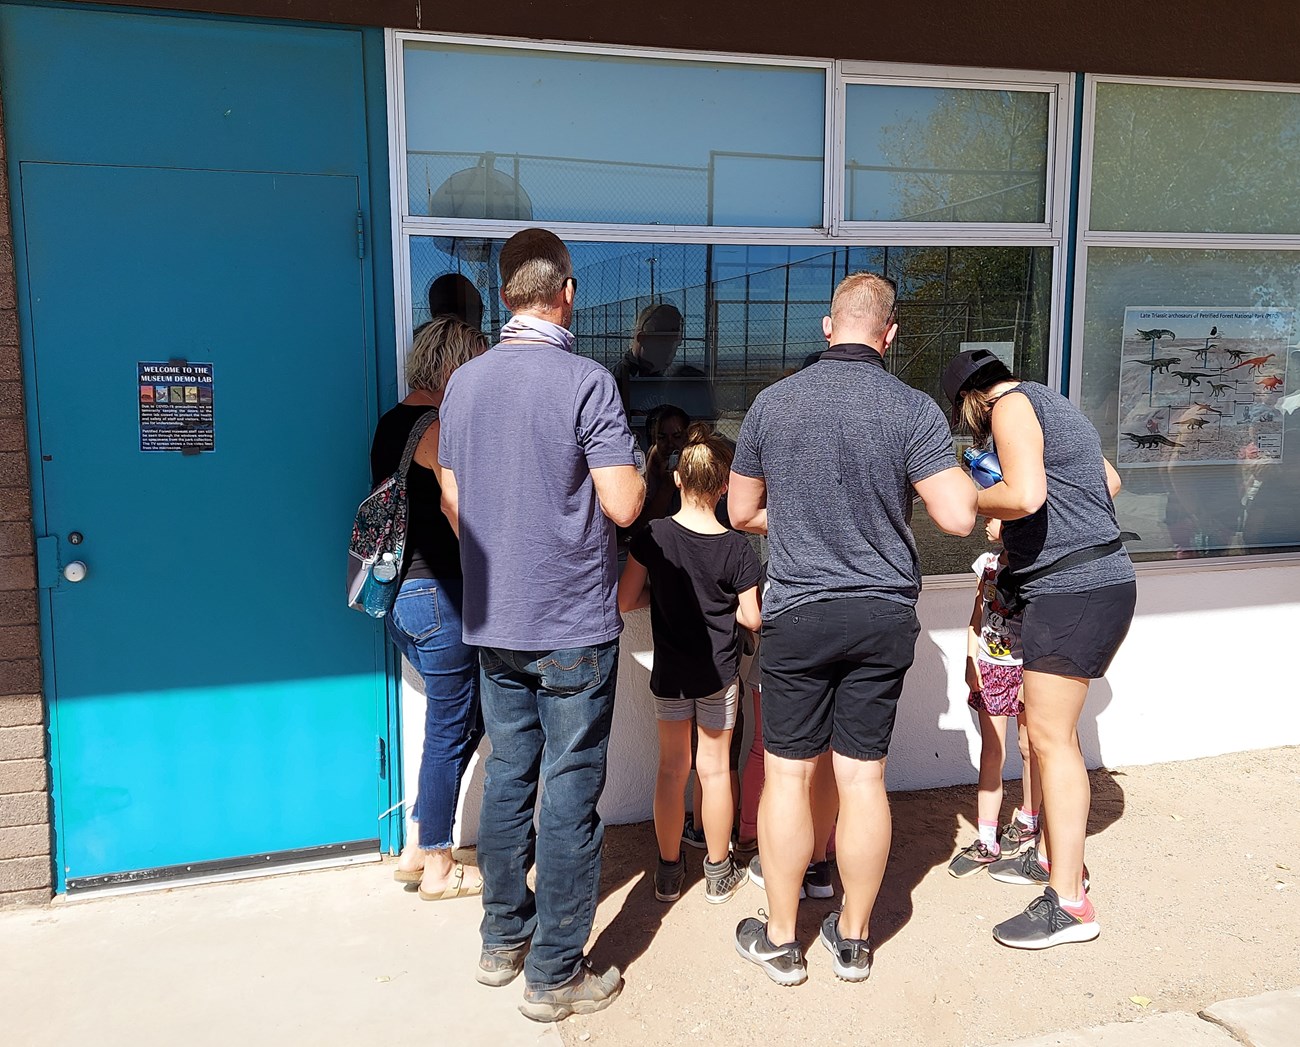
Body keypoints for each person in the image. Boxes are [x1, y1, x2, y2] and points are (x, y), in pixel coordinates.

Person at [728, 272, 977, 986]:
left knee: (787, 775)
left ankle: (780, 938)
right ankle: (854, 938)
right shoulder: (914, 409)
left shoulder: (773, 404)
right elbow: (958, 516)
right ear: (890, 334)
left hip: (799, 613)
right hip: (881, 614)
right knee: (863, 777)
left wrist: (804, 520)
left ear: (828, 327)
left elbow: (742, 512)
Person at [438, 227, 645, 1022]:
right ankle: (555, 973)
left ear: (503, 294)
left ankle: (502, 941)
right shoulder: (586, 382)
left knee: (509, 772)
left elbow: (454, 496)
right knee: (569, 791)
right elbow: (624, 503)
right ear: (566, 291)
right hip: (571, 622)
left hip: (496, 619)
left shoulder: (465, 385)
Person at [941, 347, 1135, 950]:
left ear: (974, 399)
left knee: (1051, 742)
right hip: (1098, 582)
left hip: (1070, 590)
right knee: (1059, 740)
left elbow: (1024, 496)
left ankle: (1071, 903)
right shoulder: (1053, 403)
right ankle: (1052, 859)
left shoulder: (1009, 406)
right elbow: (1110, 481)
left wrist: (969, 497)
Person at [617, 423, 762, 905]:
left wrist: (664, 599)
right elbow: (751, 617)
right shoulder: (738, 549)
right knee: (715, 770)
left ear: (677, 480)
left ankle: (667, 870)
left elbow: (624, 600)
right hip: (719, 676)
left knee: (671, 770)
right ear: (724, 485)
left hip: (670, 676)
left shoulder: (654, 536)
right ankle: (718, 871)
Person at [371, 316, 488, 900]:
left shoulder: (390, 422)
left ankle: (421, 842)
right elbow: (455, 504)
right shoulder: (434, 426)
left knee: (468, 717)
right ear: (451, 368)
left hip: (403, 598)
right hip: (439, 594)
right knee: (452, 725)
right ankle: (438, 864)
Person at [947, 517, 1042, 878]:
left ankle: (1029, 819)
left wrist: (1028, 677)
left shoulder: (1034, 569)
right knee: (993, 751)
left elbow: (1038, 625)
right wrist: (971, 661)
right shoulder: (986, 565)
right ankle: (987, 838)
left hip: (1025, 669)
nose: (986, 523)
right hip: (989, 669)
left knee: (1031, 746)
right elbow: (976, 617)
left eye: (994, 517)